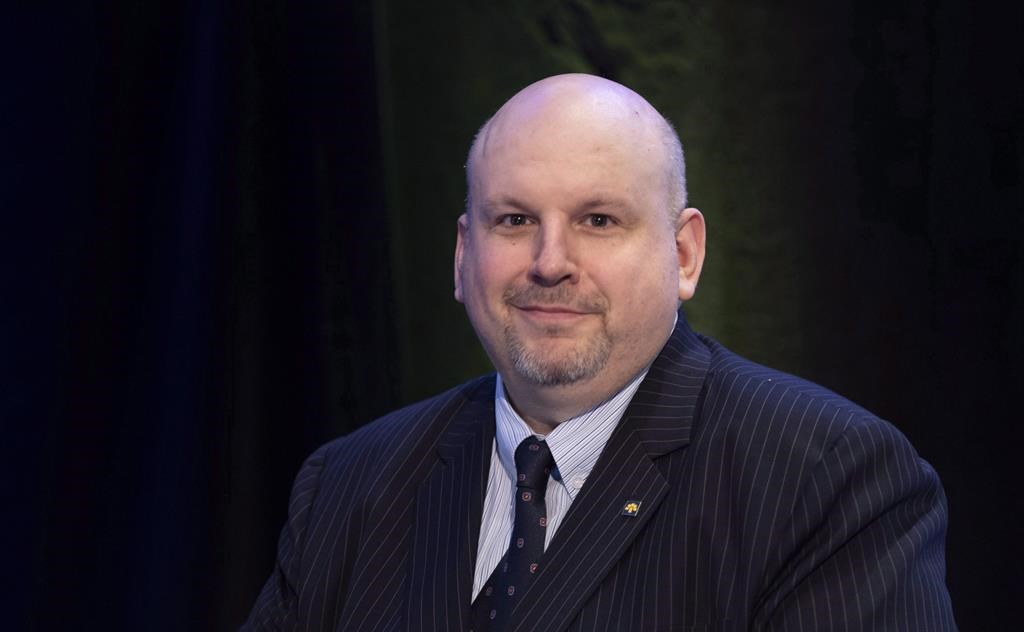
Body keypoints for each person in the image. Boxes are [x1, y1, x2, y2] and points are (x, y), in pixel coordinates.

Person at [243, 74, 956, 631]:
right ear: (464, 255)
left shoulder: (827, 480)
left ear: (683, 253)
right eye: (515, 219)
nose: (550, 262)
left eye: (598, 220)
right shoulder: (347, 486)